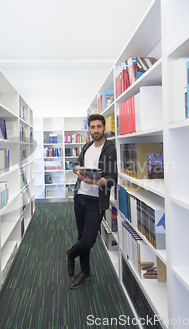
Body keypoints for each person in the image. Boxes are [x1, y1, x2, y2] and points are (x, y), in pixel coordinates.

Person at [66, 114, 117, 289]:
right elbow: (75, 165)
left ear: (104, 128)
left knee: (88, 241)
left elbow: (111, 179)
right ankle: (85, 272)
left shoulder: (110, 148)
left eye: (99, 126)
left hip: (96, 201)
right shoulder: (87, 146)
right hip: (80, 197)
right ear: (88, 128)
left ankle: (71, 254)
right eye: (92, 127)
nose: (96, 130)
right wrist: (79, 169)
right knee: (81, 236)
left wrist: (94, 181)